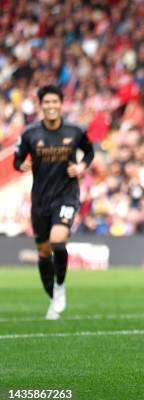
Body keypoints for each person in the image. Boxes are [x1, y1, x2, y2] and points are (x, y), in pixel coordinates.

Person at [13, 85, 94, 320]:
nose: (50, 106)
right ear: (41, 106)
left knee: (58, 240)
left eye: (54, 102)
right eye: (46, 102)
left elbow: (89, 152)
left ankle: (60, 285)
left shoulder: (75, 131)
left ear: (61, 104)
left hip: (66, 195)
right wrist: (21, 166)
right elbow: (17, 159)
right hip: (40, 199)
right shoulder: (30, 134)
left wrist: (80, 166)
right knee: (43, 252)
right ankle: (53, 296)